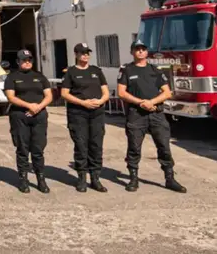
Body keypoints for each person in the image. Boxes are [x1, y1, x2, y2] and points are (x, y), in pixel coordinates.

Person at [117, 39, 186, 193]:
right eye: (137, 49)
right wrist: (141, 102)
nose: (140, 51)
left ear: (147, 52)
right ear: (132, 52)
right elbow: (122, 92)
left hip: (156, 113)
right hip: (136, 115)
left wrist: (151, 102)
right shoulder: (127, 70)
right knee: (134, 148)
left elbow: (167, 92)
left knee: (164, 147)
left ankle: (170, 179)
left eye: (143, 49)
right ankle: (133, 179)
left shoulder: (155, 70)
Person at [60, 42, 109, 193]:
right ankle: (82, 178)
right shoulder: (71, 72)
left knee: (96, 145)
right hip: (78, 114)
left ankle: (95, 178)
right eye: (82, 53)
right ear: (76, 55)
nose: (85, 55)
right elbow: (65, 94)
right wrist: (83, 103)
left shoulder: (96, 71)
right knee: (81, 146)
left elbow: (105, 92)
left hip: (96, 114)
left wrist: (100, 101)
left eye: (87, 52)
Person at [4, 49, 53, 194]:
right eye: (24, 60)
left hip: (39, 116)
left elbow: (49, 95)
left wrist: (38, 107)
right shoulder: (12, 77)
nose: (27, 62)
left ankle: (41, 179)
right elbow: (11, 97)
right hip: (20, 116)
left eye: (29, 60)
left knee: (38, 149)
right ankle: (23, 179)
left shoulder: (40, 77)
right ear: (18, 62)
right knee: (22, 149)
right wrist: (29, 106)